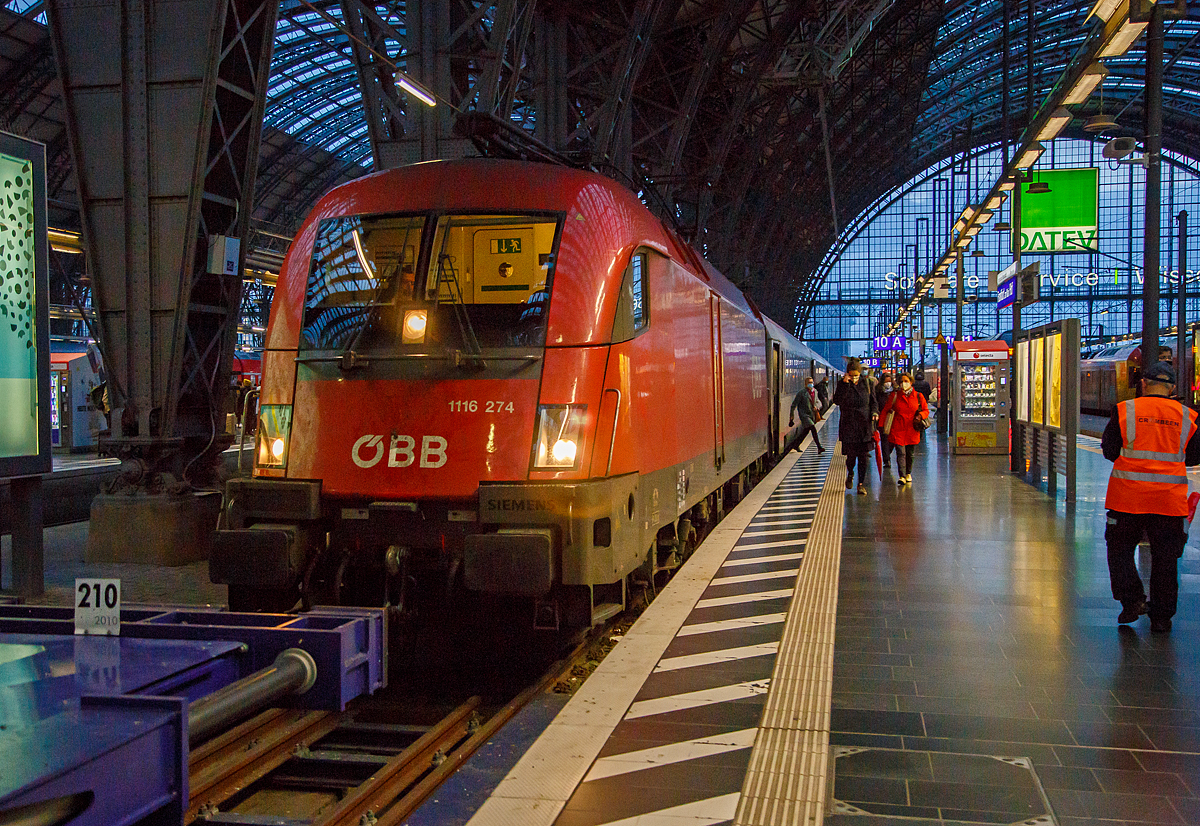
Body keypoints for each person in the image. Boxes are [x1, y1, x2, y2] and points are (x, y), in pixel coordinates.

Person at [1102, 361, 1200, 633]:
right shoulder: (1188, 415)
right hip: (1168, 501)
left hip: (1127, 499)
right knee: (1166, 560)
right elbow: (1194, 457)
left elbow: (1110, 451)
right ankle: (1161, 617)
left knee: (1120, 552)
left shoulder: (1124, 411)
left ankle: (1132, 600)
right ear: (1171, 388)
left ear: (1143, 384)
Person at [833, 358, 878, 495]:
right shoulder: (843, 385)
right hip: (849, 425)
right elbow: (837, 401)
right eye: (851, 376)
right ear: (847, 374)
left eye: (856, 376)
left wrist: (875, 412)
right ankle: (851, 472)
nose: (854, 378)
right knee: (851, 456)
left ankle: (860, 484)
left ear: (860, 374)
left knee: (863, 456)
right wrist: (845, 384)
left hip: (864, 426)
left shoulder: (868, 384)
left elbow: (873, 402)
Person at [880, 373, 929, 486]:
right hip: (898, 428)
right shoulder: (895, 395)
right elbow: (886, 410)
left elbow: (926, 410)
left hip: (912, 428)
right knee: (900, 453)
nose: (903, 384)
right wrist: (881, 426)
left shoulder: (918, 396)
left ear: (911, 382)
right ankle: (902, 475)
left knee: (910, 454)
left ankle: (908, 473)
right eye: (901, 381)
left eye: (906, 381)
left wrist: (920, 415)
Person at [789, 378, 825, 453]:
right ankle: (819, 447)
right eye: (809, 382)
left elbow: (818, 402)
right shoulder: (801, 393)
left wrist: (817, 407)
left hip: (812, 414)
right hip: (804, 415)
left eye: (812, 382)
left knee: (805, 431)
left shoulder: (815, 391)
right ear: (805, 384)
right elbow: (794, 405)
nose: (811, 384)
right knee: (813, 428)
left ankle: (796, 445)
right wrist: (791, 416)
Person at [874, 372, 896, 469]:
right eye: (886, 381)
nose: (888, 383)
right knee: (885, 439)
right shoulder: (877, 391)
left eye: (889, 381)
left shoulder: (895, 391)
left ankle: (888, 453)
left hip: (894, 419)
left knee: (893, 440)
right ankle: (886, 459)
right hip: (882, 419)